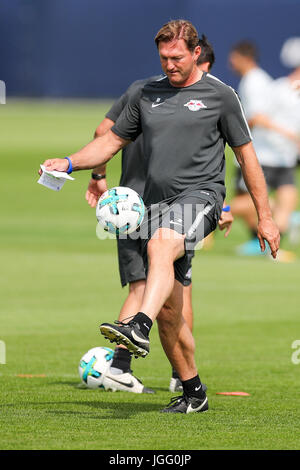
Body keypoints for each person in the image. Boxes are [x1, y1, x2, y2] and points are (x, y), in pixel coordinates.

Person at [40, 20, 280, 414]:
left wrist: (265, 217)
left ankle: (137, 326)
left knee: (161, 244)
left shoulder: (221, 96)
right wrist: (68, 162)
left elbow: (247, 158)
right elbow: (108, 143)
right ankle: (193, 392)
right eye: (164, 57)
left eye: (177, 57)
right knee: (171, 311)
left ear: (196, 52)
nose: (170, 64)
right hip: (151, 206)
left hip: (200, 196)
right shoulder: (144, 93)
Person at [85, 34, 231, 394]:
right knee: (155, 285)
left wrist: (98, 177)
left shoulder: (191, 96)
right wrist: (90, 171)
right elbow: (106, 134)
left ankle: (175, 375)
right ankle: (125, 362)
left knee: (167, 290)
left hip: (165, 206)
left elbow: (202, 164)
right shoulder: (145, 94)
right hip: (140, 207)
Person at [229, 41, 300, 260]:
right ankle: (209, 212)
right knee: (252, 203)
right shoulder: (278, 88)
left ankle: (271, 249)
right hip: (265, 155)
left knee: (287, 203)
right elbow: (258, 118)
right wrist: (290, 135)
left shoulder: (263, 82)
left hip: (285, 157)